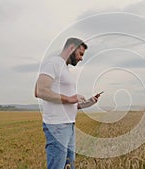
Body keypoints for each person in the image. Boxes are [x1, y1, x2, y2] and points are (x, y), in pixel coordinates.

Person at [35, 37, 100, 169]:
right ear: (71, 48)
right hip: (57, 126)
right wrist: (70, 98)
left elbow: (70, 104)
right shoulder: (53, 63)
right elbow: (39, 91)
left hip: (69, 125)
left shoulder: (64, 68)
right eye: (80, 54)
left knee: (69, 165)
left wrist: (89, 102)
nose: (81, 58)